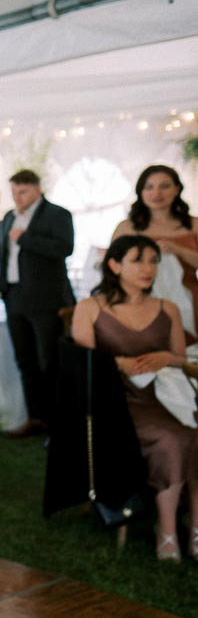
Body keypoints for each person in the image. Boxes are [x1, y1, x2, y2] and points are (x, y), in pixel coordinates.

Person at [71, 235, 198, 562]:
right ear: (114, 265)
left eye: (153, 260)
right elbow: (80, 363)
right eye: (138, 260)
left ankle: (196, 525)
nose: (148, 268)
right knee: (173, 439)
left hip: (167, 396)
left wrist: (164, 358)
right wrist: (118, 364)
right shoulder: (89, 308)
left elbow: (180, 357)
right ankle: (167, 529)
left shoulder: (166, 308)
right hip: (116, 402)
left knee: (193, 433)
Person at [0, 169, 75, 436]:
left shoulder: (58, 215)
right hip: (14, 298)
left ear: (37, 189)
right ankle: (37, 418)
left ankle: (59, 425)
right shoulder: (8, 217)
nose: (17, 197)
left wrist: (26, 238)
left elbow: (65, 248)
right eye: (14, 192)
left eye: (23, 192)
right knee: (25, 362)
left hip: (46, 300)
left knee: (49, 361)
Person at [111, 165, 198, 345]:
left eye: (164, 186)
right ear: (140, 192)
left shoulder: (194, 224)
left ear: (177, 189)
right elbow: (113, 267)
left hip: (190, 297)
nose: (156, 193)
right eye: (149, 187)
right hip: (142, 300)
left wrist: (178, 250)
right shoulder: (126, 227)